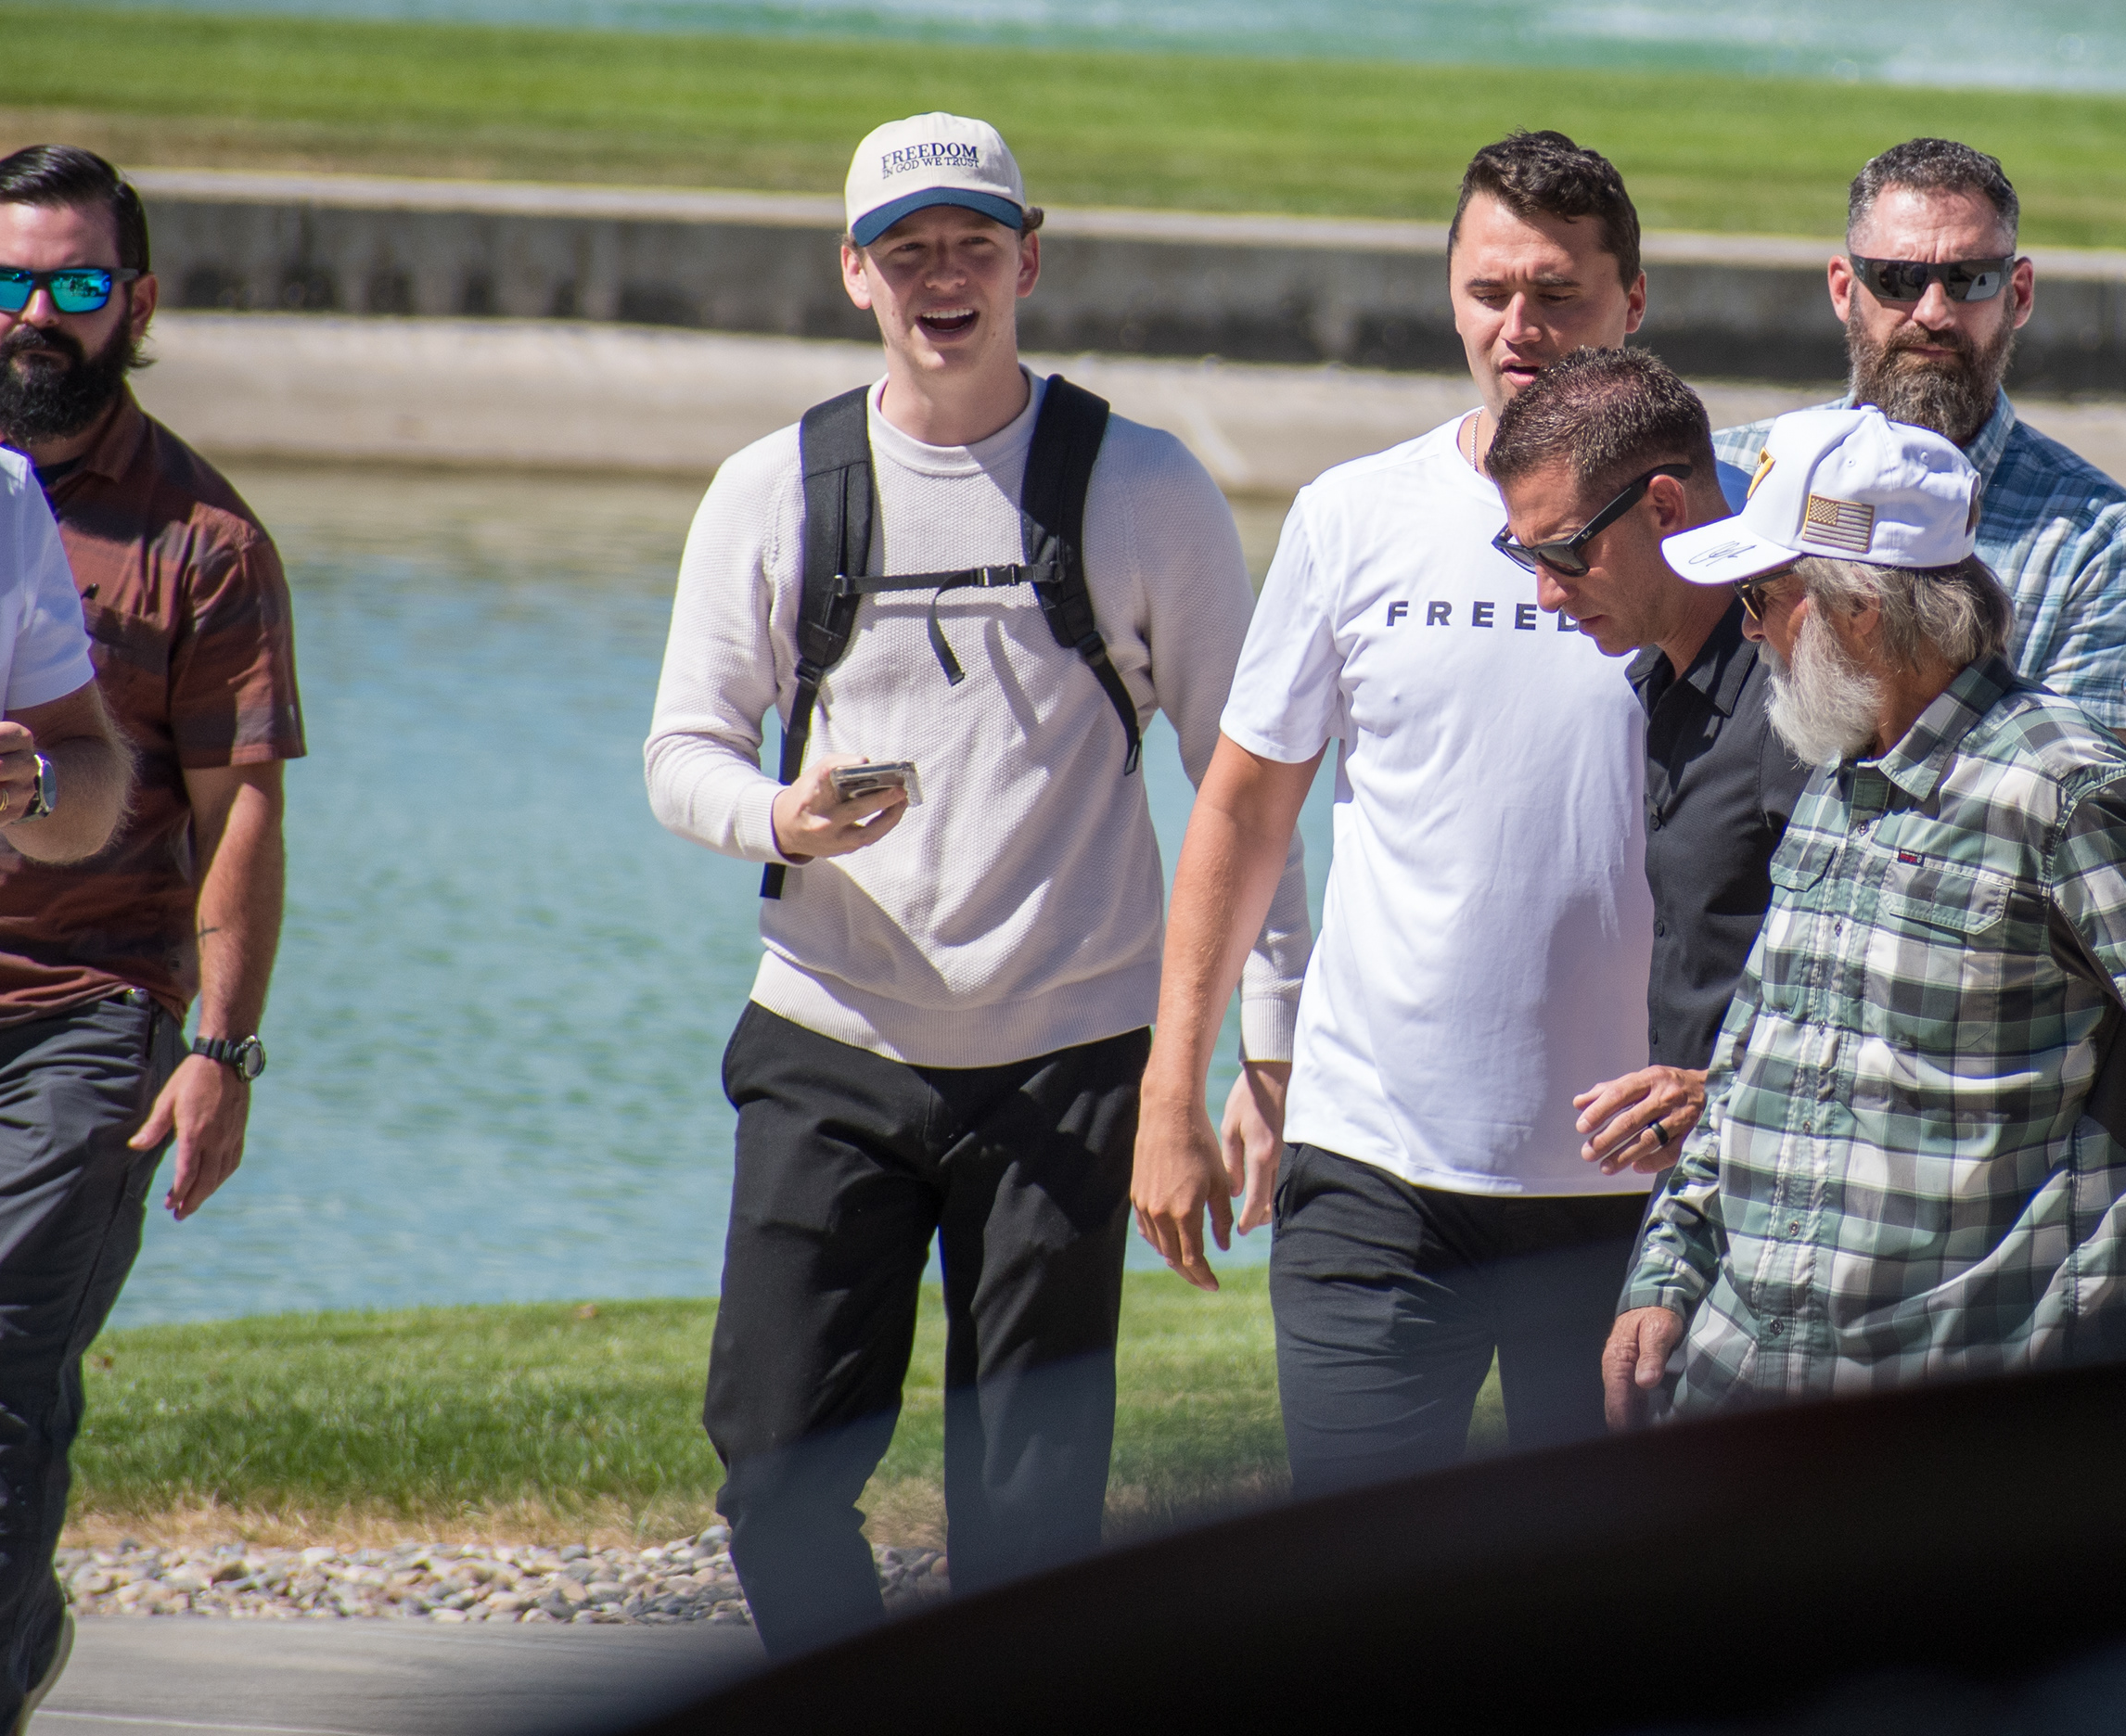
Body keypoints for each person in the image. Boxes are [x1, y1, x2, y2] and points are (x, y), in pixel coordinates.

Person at [644, 114, 1300, 1653]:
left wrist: (1267, 1041)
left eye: (977, 246)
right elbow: (679, 751)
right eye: (911, 249)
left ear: (1030, 261)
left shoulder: (1138, 487)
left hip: (1069, 1064)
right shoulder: (774, 489)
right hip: (830, 1043)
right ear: (855, 272)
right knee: (776, 1475)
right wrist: (782, 819)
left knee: (1030, 1517)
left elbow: (1244, 784)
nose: (948, 279)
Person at [1605, 405, 2126, 1421]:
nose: (1750, 626)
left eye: (1766, 594)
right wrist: (1665, 1278)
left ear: (1859, 607)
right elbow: (1748, 1066)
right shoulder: (1833, 770)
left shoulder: (2065, 793)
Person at [1134, 132, 1659, 1496]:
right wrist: (1174, 1088)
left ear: (1632, 305)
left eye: (1557, 294)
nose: (1519, 328)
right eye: (1489, 291)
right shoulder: (1354, 516)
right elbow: (1244, 817)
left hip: (1631, 1190)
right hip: (1372, 1172)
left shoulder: (1707, 534)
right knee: (1356, 1612)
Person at [0, 149, 258, 1735]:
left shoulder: (203, 539)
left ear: (137, 303)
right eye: (11, 281)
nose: (39, 318)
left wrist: (219, 1044)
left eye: (78, 287)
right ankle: (7, 1624)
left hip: (85, 1014)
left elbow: (241, 812)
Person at [1719, 138, 2126, 747]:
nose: (1933, 311)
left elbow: (2075, 796)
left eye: (1970, 279)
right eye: (1900, 278)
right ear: (1844, 288)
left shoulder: (2098, 536)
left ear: (2021, 294)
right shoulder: (1731, 473)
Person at [1481, 349, 1803, 1182]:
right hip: (1712, 1210)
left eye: (1564, 553)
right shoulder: (1669, 680)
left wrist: (1717, 1094)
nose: (1547, 594)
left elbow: (1903, 988)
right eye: (1527, 557)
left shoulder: (1797, 708)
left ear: (1663, 506)